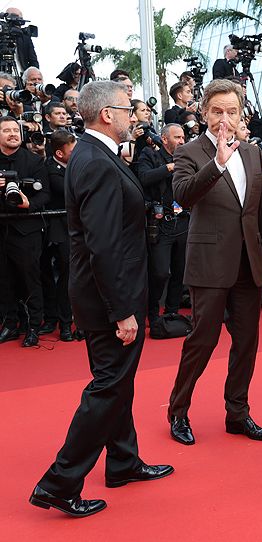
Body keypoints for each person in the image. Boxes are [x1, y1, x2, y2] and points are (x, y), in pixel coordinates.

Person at [29, 81, 173, 518]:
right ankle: (60, 481)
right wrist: (122, 311)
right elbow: (103, 245)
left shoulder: (97, 156)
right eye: (129, 108)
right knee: (108, 385)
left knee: (116, 382)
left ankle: (123, 462)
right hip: (110, 297)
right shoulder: (95, 161)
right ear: (107, 114)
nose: (136, 114)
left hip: (108, 293)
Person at [167, 79, 262, 446]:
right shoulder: (190, 151)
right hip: (209, 262)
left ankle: (237, 413)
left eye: (231, 111)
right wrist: (217, 162)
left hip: (248, 263)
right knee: (202, 340)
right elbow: (184, 196)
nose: (225, 118)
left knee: (246, 342)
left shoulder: (251, 153)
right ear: (204, 112)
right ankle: (178, 411)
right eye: (217, 111)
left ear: (240, 113)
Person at [0, 116, 50, 346]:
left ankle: (33, 327)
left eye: (15, 130)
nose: (12, 134)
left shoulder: (34, 161)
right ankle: (10, 325)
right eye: (6, 130)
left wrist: (28, 203)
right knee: (4, 279)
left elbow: (45, 195)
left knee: (30, 279)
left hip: (26, 231)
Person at [136, 123, 188, 329]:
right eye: (177, 137)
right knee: (159, 272)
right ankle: (152, 312)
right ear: (164, 139)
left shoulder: (187, 157)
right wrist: (169, 168)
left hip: (183, 220)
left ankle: (172, 311)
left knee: (179, 270)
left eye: (183, 137)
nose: (182, 141)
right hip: (160, 222)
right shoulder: (149, 154)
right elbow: (144, 178)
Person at [39, 130, 76, 342]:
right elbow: (68, 191)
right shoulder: (49, 170)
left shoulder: (74, 165)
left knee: (69, 275)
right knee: (61, 275)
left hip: (73, 228)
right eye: (73, 149)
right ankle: (60, 322)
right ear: (60, 154)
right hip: (55, 231)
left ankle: (68, 322)